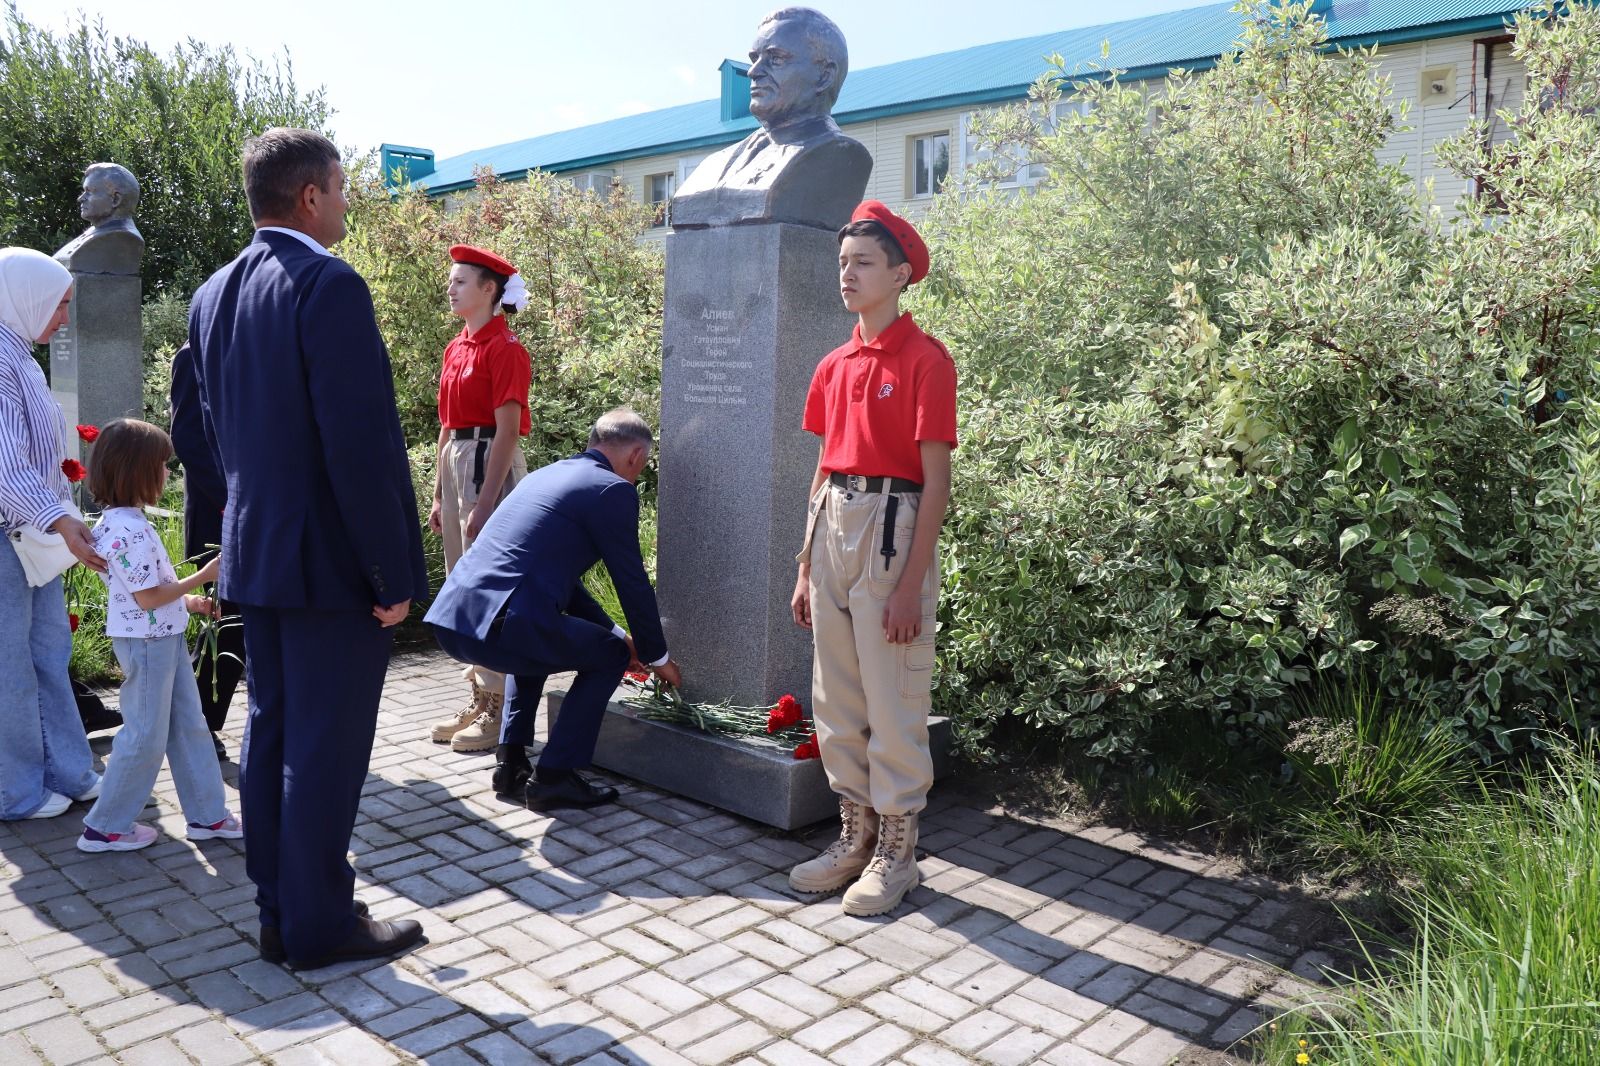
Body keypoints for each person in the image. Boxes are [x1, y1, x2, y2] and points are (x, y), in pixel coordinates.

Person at [187, 127, 428, 969]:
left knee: (275, 734)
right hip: (329, 565)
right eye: (341, 184)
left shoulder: (213, 293)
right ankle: (321, 925)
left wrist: (235, 535)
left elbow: (207, 436)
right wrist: (392, 572)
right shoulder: (327, 284)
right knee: (324, 750)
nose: (349, 199)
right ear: (309, 198)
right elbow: (358, 447)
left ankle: (280, 909)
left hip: (261, 554)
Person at [788, 202, 957, 916]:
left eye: (862, 263)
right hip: (833, 524)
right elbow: (825, 465)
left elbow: (937, 478)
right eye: (842, 263)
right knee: (836, 696)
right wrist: (803, 565)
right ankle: (853, 834)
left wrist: (909, 584)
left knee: (893, 699)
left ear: (899, 274)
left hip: (893, 525)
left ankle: (897, 850)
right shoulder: (834, 364)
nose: (847, 275)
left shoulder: (926, 359)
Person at [425, 408, 683, 811]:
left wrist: (619, 633)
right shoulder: (611, 489)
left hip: (453, 619)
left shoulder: (548, 476)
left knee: (539, 642)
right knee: (606, 657)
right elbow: (630, 581)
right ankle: (555, 777)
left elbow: (567, 588)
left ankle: (510, 767)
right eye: (642, 465)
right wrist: (655, 656)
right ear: (635, 456)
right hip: (500, 623)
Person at [77, 418, 242, 853]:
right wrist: (202, 578)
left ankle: (208, 815)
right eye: (163, 465)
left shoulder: (124, 523)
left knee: (189, 726)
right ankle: (106, 826)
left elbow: (143, 595)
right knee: (145, 734)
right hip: (148, 645)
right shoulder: (128, 530)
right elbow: (148, 597)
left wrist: (187, 603)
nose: (168, 473)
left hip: (160, 638)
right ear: (138, 471)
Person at [0, 247, 103, 820]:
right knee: (10, 665)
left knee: (46, 654)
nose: (64, 317)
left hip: (27, 536)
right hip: (12, 537)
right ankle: (15, 791)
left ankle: (65, 768)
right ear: (27, 298)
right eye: (59, 304)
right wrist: (62, 518)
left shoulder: (15, 351)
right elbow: (5, 464)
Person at [425, 245, 533, 753]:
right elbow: (447, 426)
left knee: (489, 587)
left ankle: (498, 703)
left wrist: (486, 502)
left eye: (461, 281)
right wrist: (439, 496)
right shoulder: (455, 348)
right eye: (452, 280)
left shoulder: (505, 348)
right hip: (458, 463)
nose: (451, 288)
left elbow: (509, 430)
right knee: (461, 585)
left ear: (489, 289)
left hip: (489, 462)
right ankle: (479, 691)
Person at [670, 7, 870, 229]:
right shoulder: (714, 164)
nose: (753, 71)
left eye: (775, 59)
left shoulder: (840, 157)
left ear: (824, 76)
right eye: (754, 58)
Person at [169, 341, 243, 760]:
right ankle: (198, 722)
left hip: (256, 512)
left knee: (239, 622)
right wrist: (236, 499)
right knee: (227, 621)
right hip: (220, 513)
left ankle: (197, 718)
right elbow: (188, 439)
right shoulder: (192, 353)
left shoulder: (253, 348)